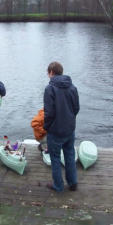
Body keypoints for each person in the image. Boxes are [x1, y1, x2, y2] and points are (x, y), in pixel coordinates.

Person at [43, 62, 80, 192]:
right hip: (70, 129)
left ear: (51, 72)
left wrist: (46, 127)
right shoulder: (72, 87)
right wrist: (70, 120)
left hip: (55, 130)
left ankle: (58, 185)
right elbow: (76, 108)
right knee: (70, 154)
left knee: (55, 157)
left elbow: (49, 113)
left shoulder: (50, 89)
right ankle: (73, 182)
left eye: (48, 73)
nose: (48, 75)